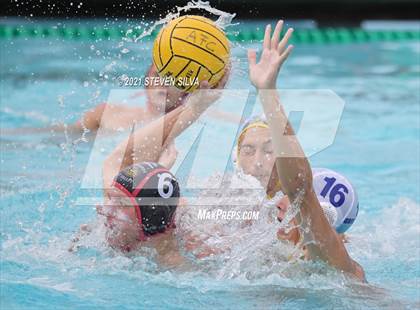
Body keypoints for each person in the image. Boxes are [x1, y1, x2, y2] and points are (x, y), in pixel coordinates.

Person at [245, 20, 365, 281]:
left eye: (286, 195)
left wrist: (268, 92)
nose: (280, 202)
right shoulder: (279, 254)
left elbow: (300, 188)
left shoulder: (335, 264)